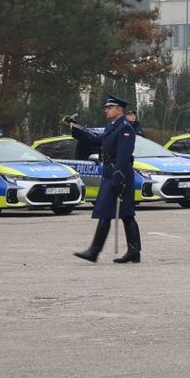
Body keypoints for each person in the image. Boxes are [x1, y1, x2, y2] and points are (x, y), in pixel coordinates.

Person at [70, 94, 140, 264]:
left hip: (119, 173)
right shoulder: (113, 126)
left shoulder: (125, 127)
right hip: (110, 172)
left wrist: (118, 176)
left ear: (119, 110)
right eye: (106, 108)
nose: (106, 110)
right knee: (112, 212)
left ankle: (97, 251)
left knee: (122, 213)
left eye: (109, 108)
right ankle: (130, 251)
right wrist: (78, 130)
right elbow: (99, 141)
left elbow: (123, 155)